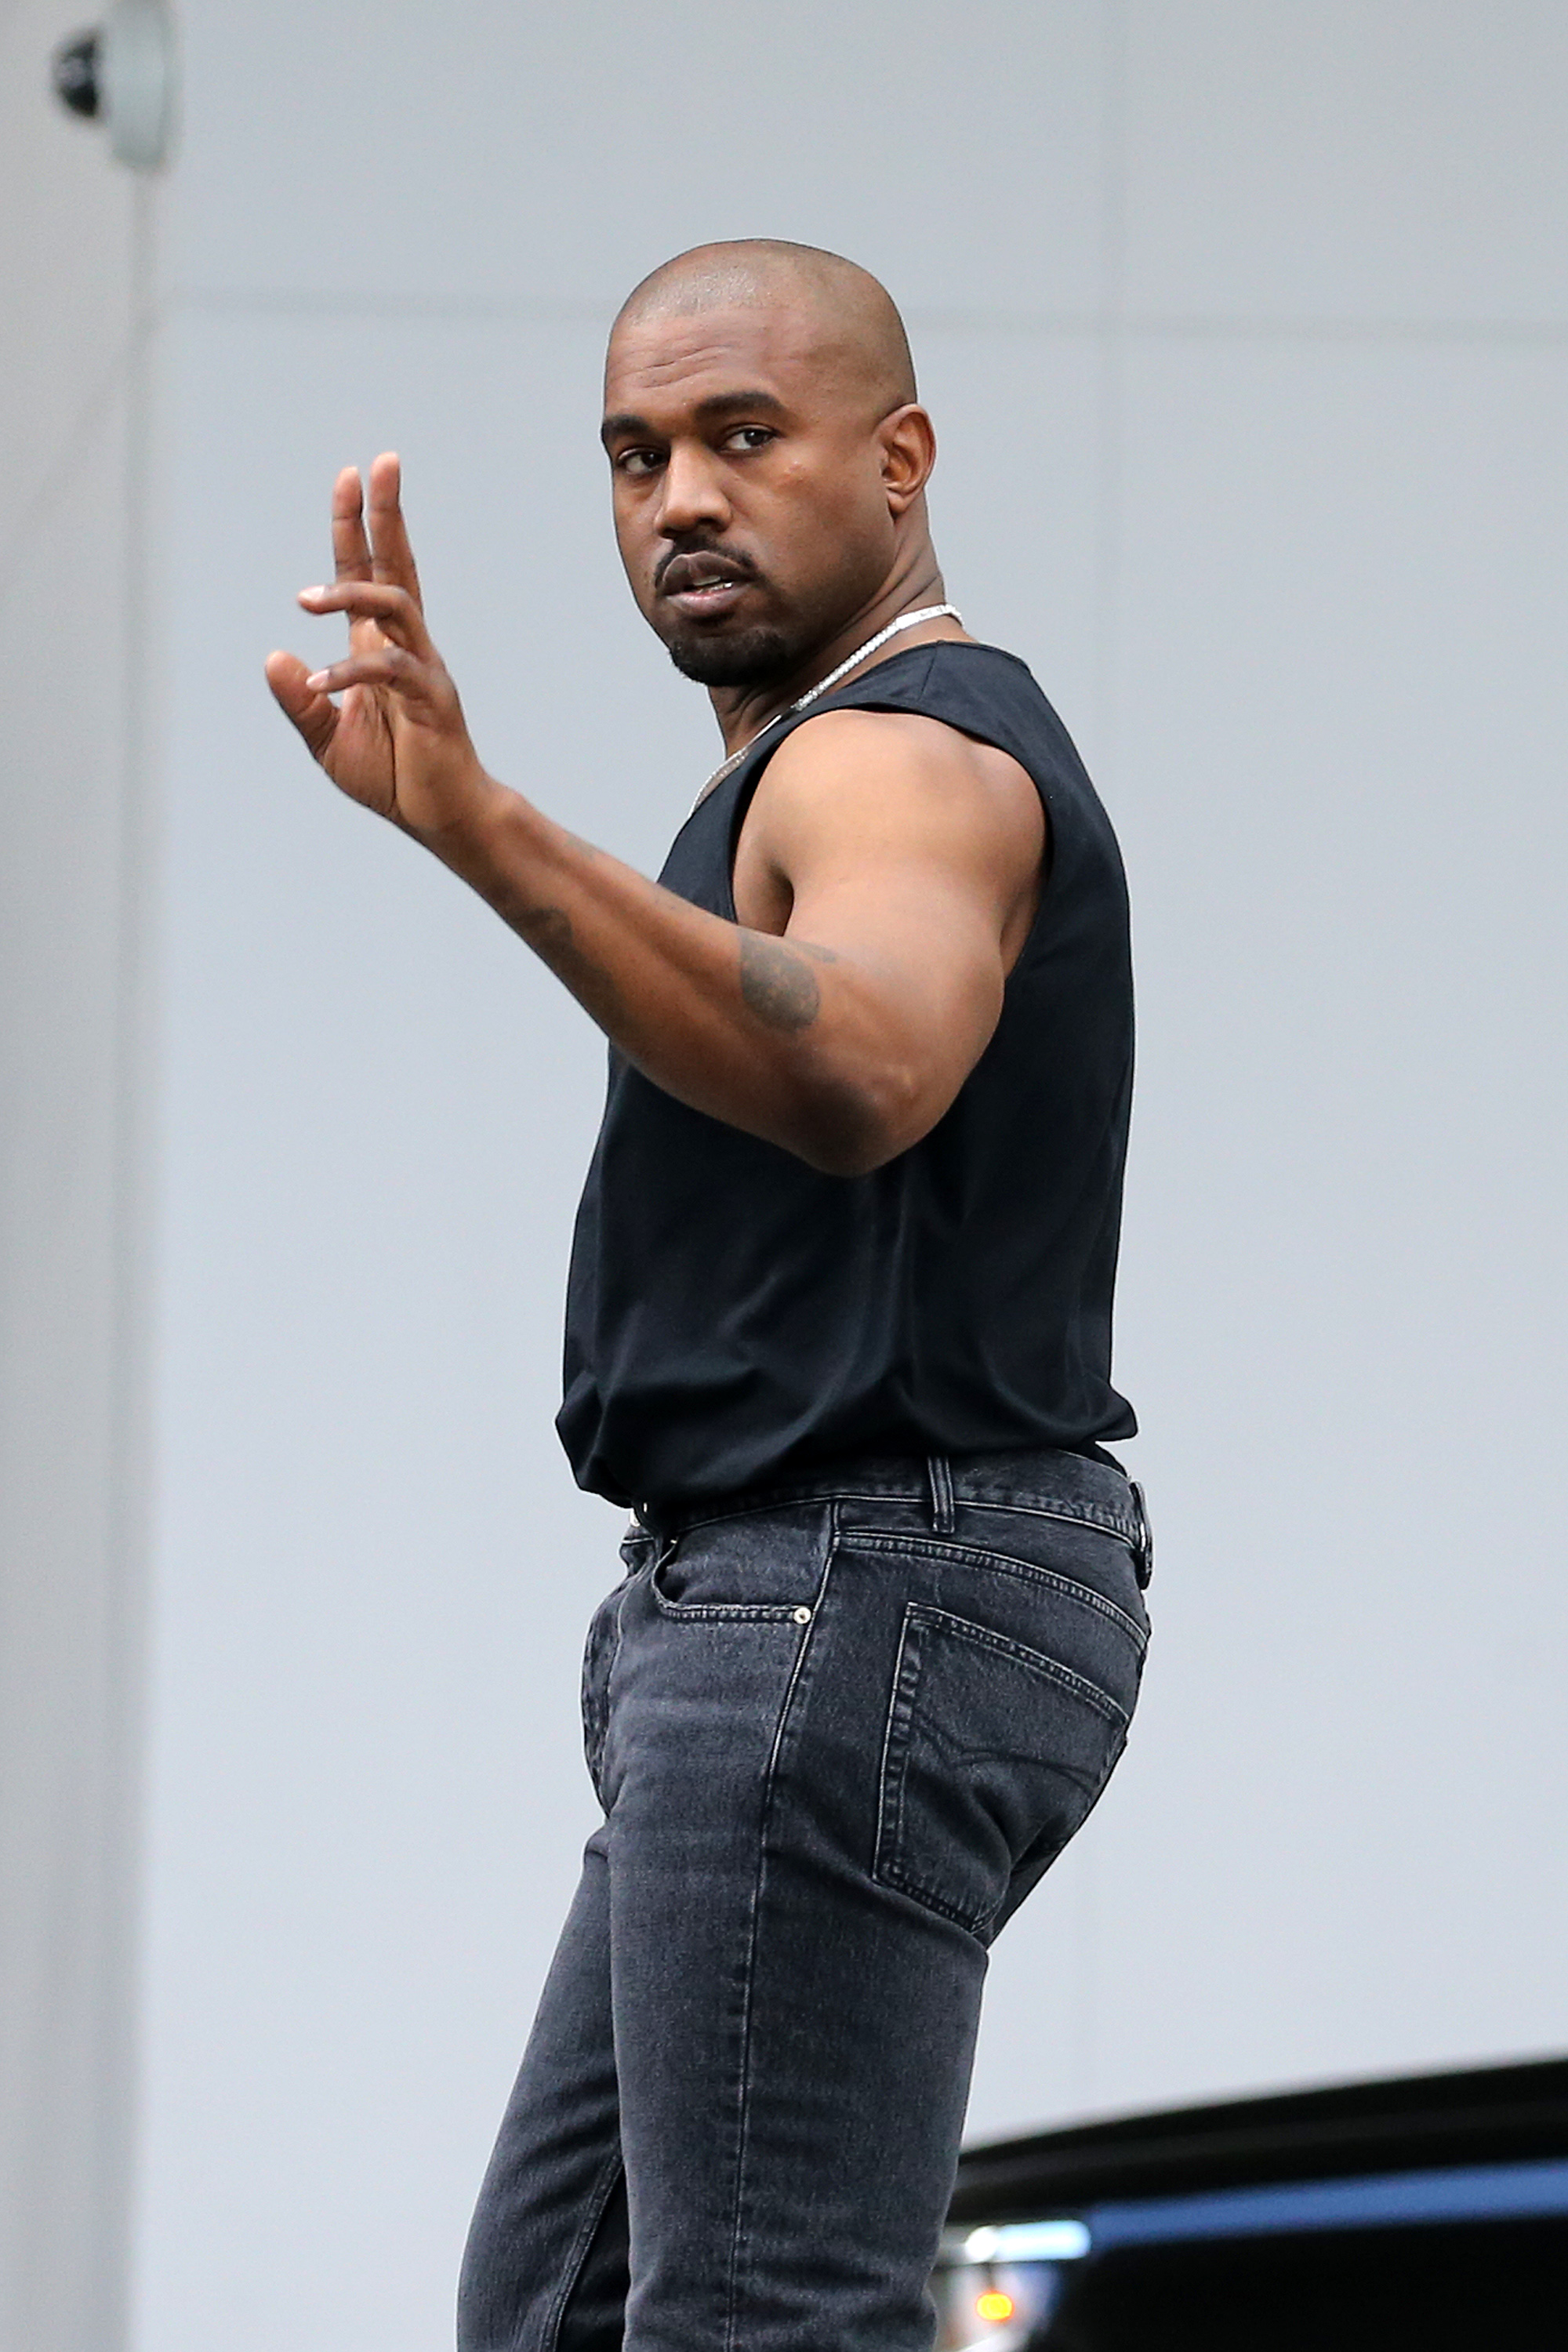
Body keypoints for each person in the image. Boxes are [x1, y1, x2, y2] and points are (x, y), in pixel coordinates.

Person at [267, 239, 1151, 2352]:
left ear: (902, 456)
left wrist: (488, 828)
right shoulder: (815, 761)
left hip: (861, 1580)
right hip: (813, 1592)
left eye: (744, 436)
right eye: (636, 453)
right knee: (564, 2310)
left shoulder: (905, 759)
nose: (680, 498)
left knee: (759, 2317)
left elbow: (859, 1062)